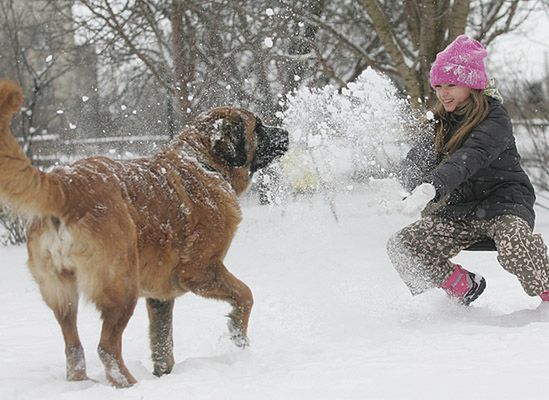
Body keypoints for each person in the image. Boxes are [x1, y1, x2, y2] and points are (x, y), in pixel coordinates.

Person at [386, 34, 549, 305]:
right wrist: (400, 184)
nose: (443, 92)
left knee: (514, 243)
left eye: (451, 84)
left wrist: (431, 187)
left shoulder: (495, 118)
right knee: (402, 245)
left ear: (471, 84)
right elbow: (417, 161)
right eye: (438, 85)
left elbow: (469, 157)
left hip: (504, 205)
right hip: (461, 212)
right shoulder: (440, 122)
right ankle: (463, 286)